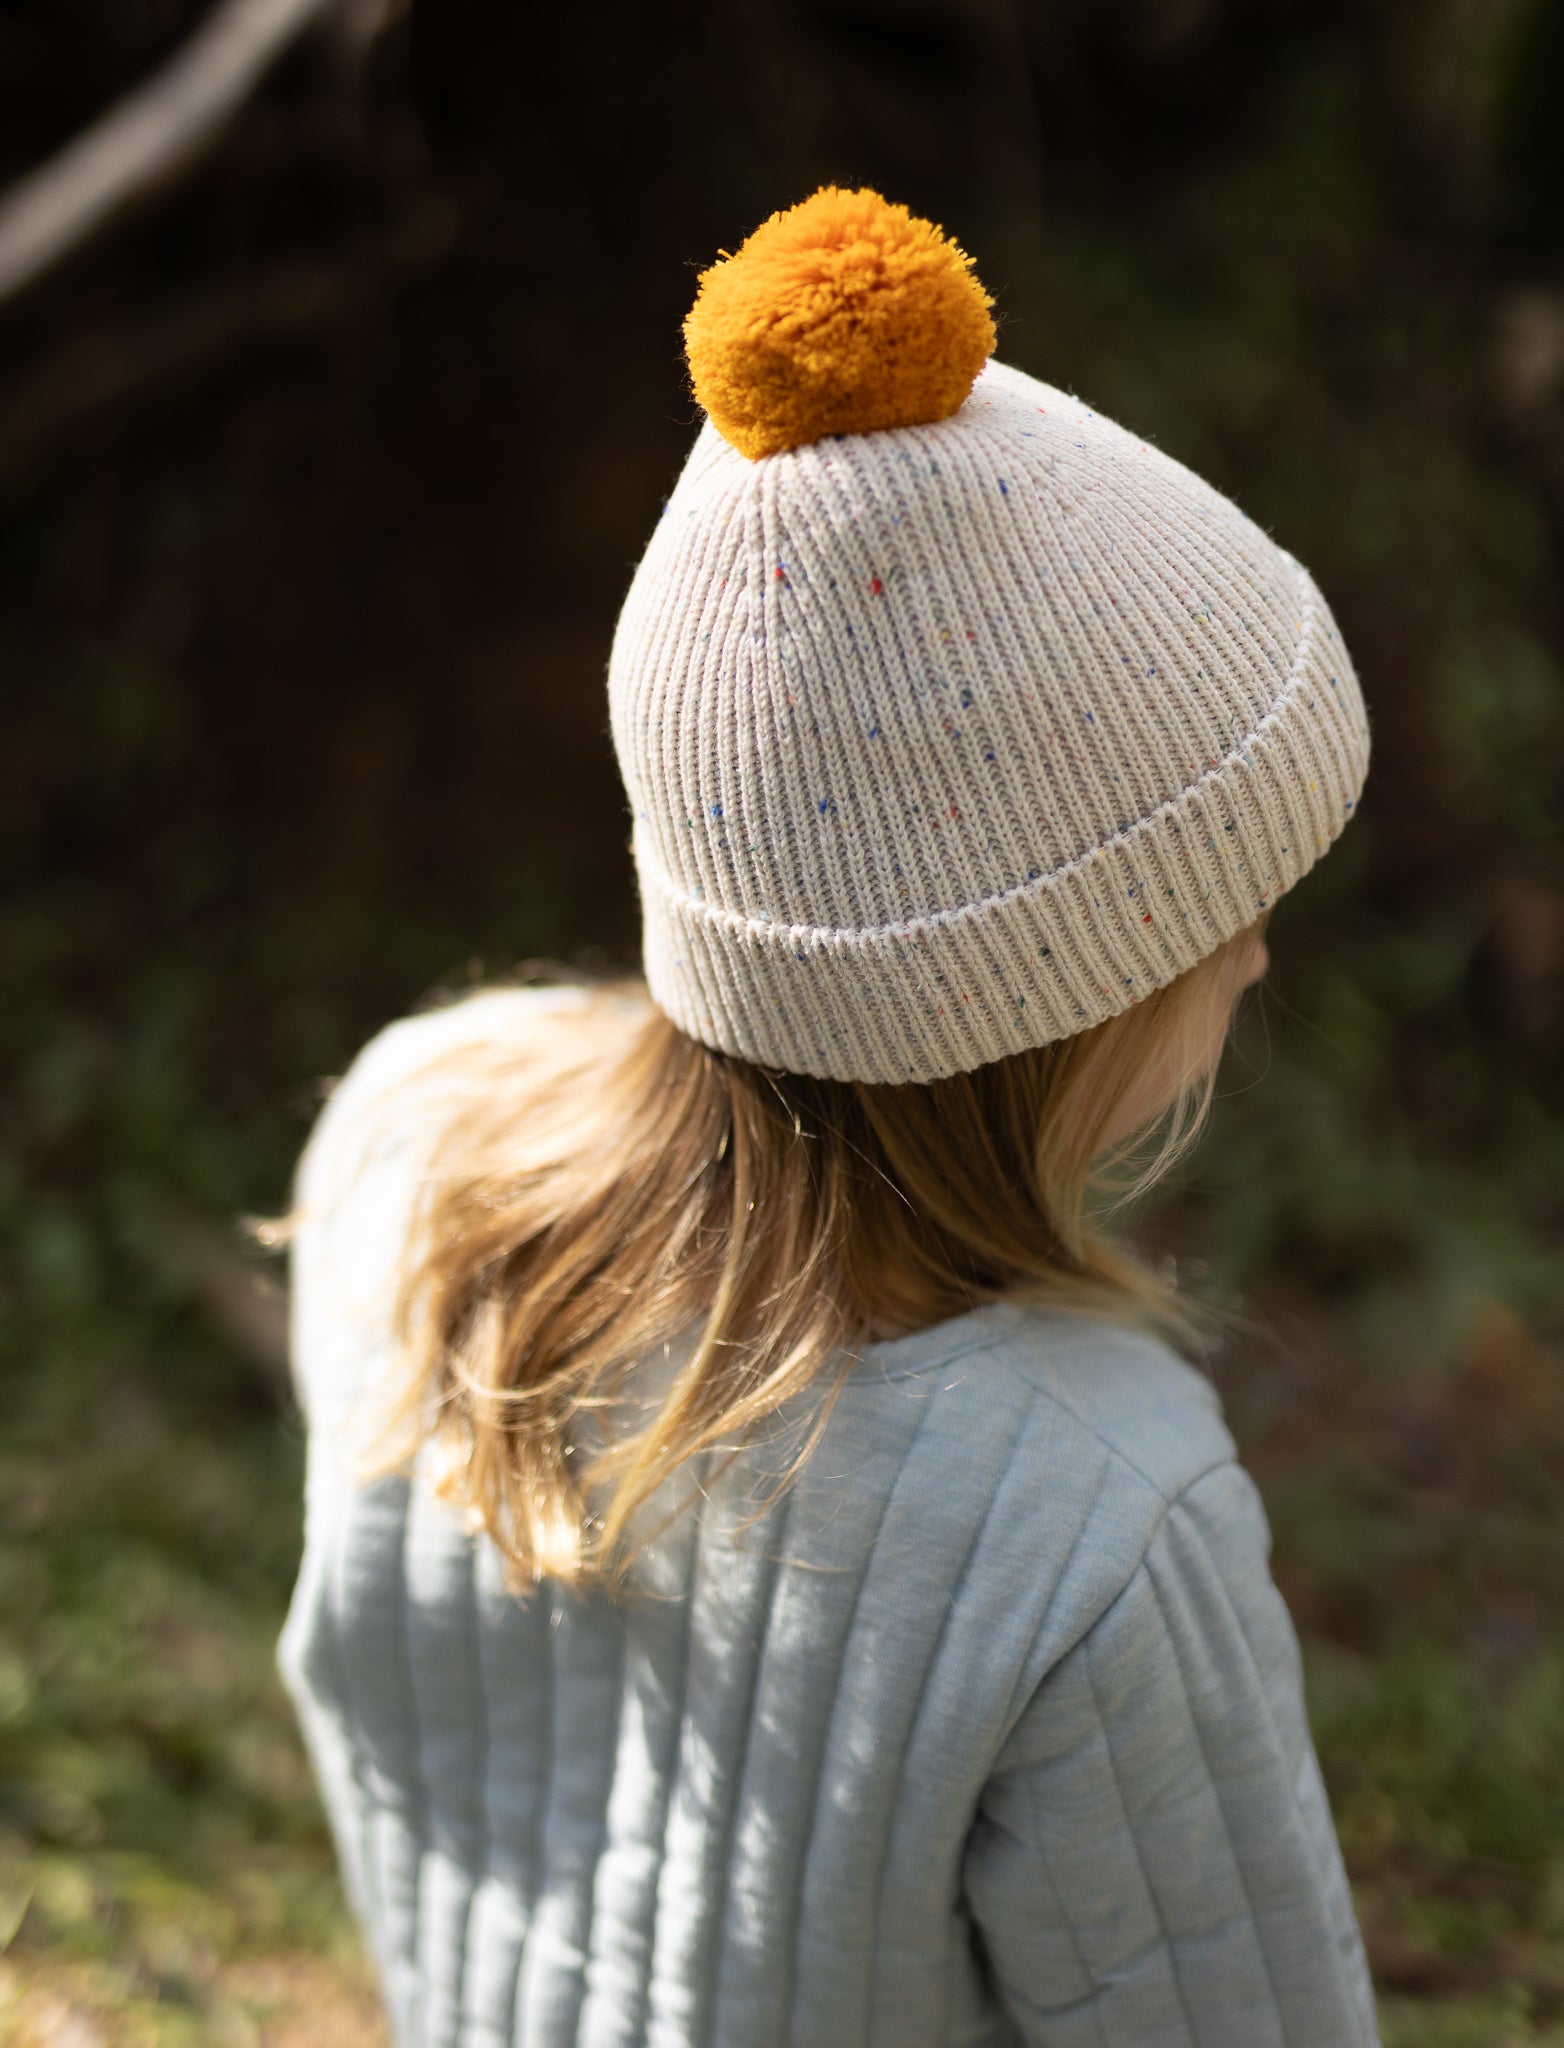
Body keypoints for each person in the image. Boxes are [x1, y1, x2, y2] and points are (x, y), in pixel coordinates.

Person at [272, 187, 1379, 2047]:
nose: (1258, 952)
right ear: (1033, 994)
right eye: (1211, 907)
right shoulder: (1095, 1513)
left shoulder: (410, 1138)